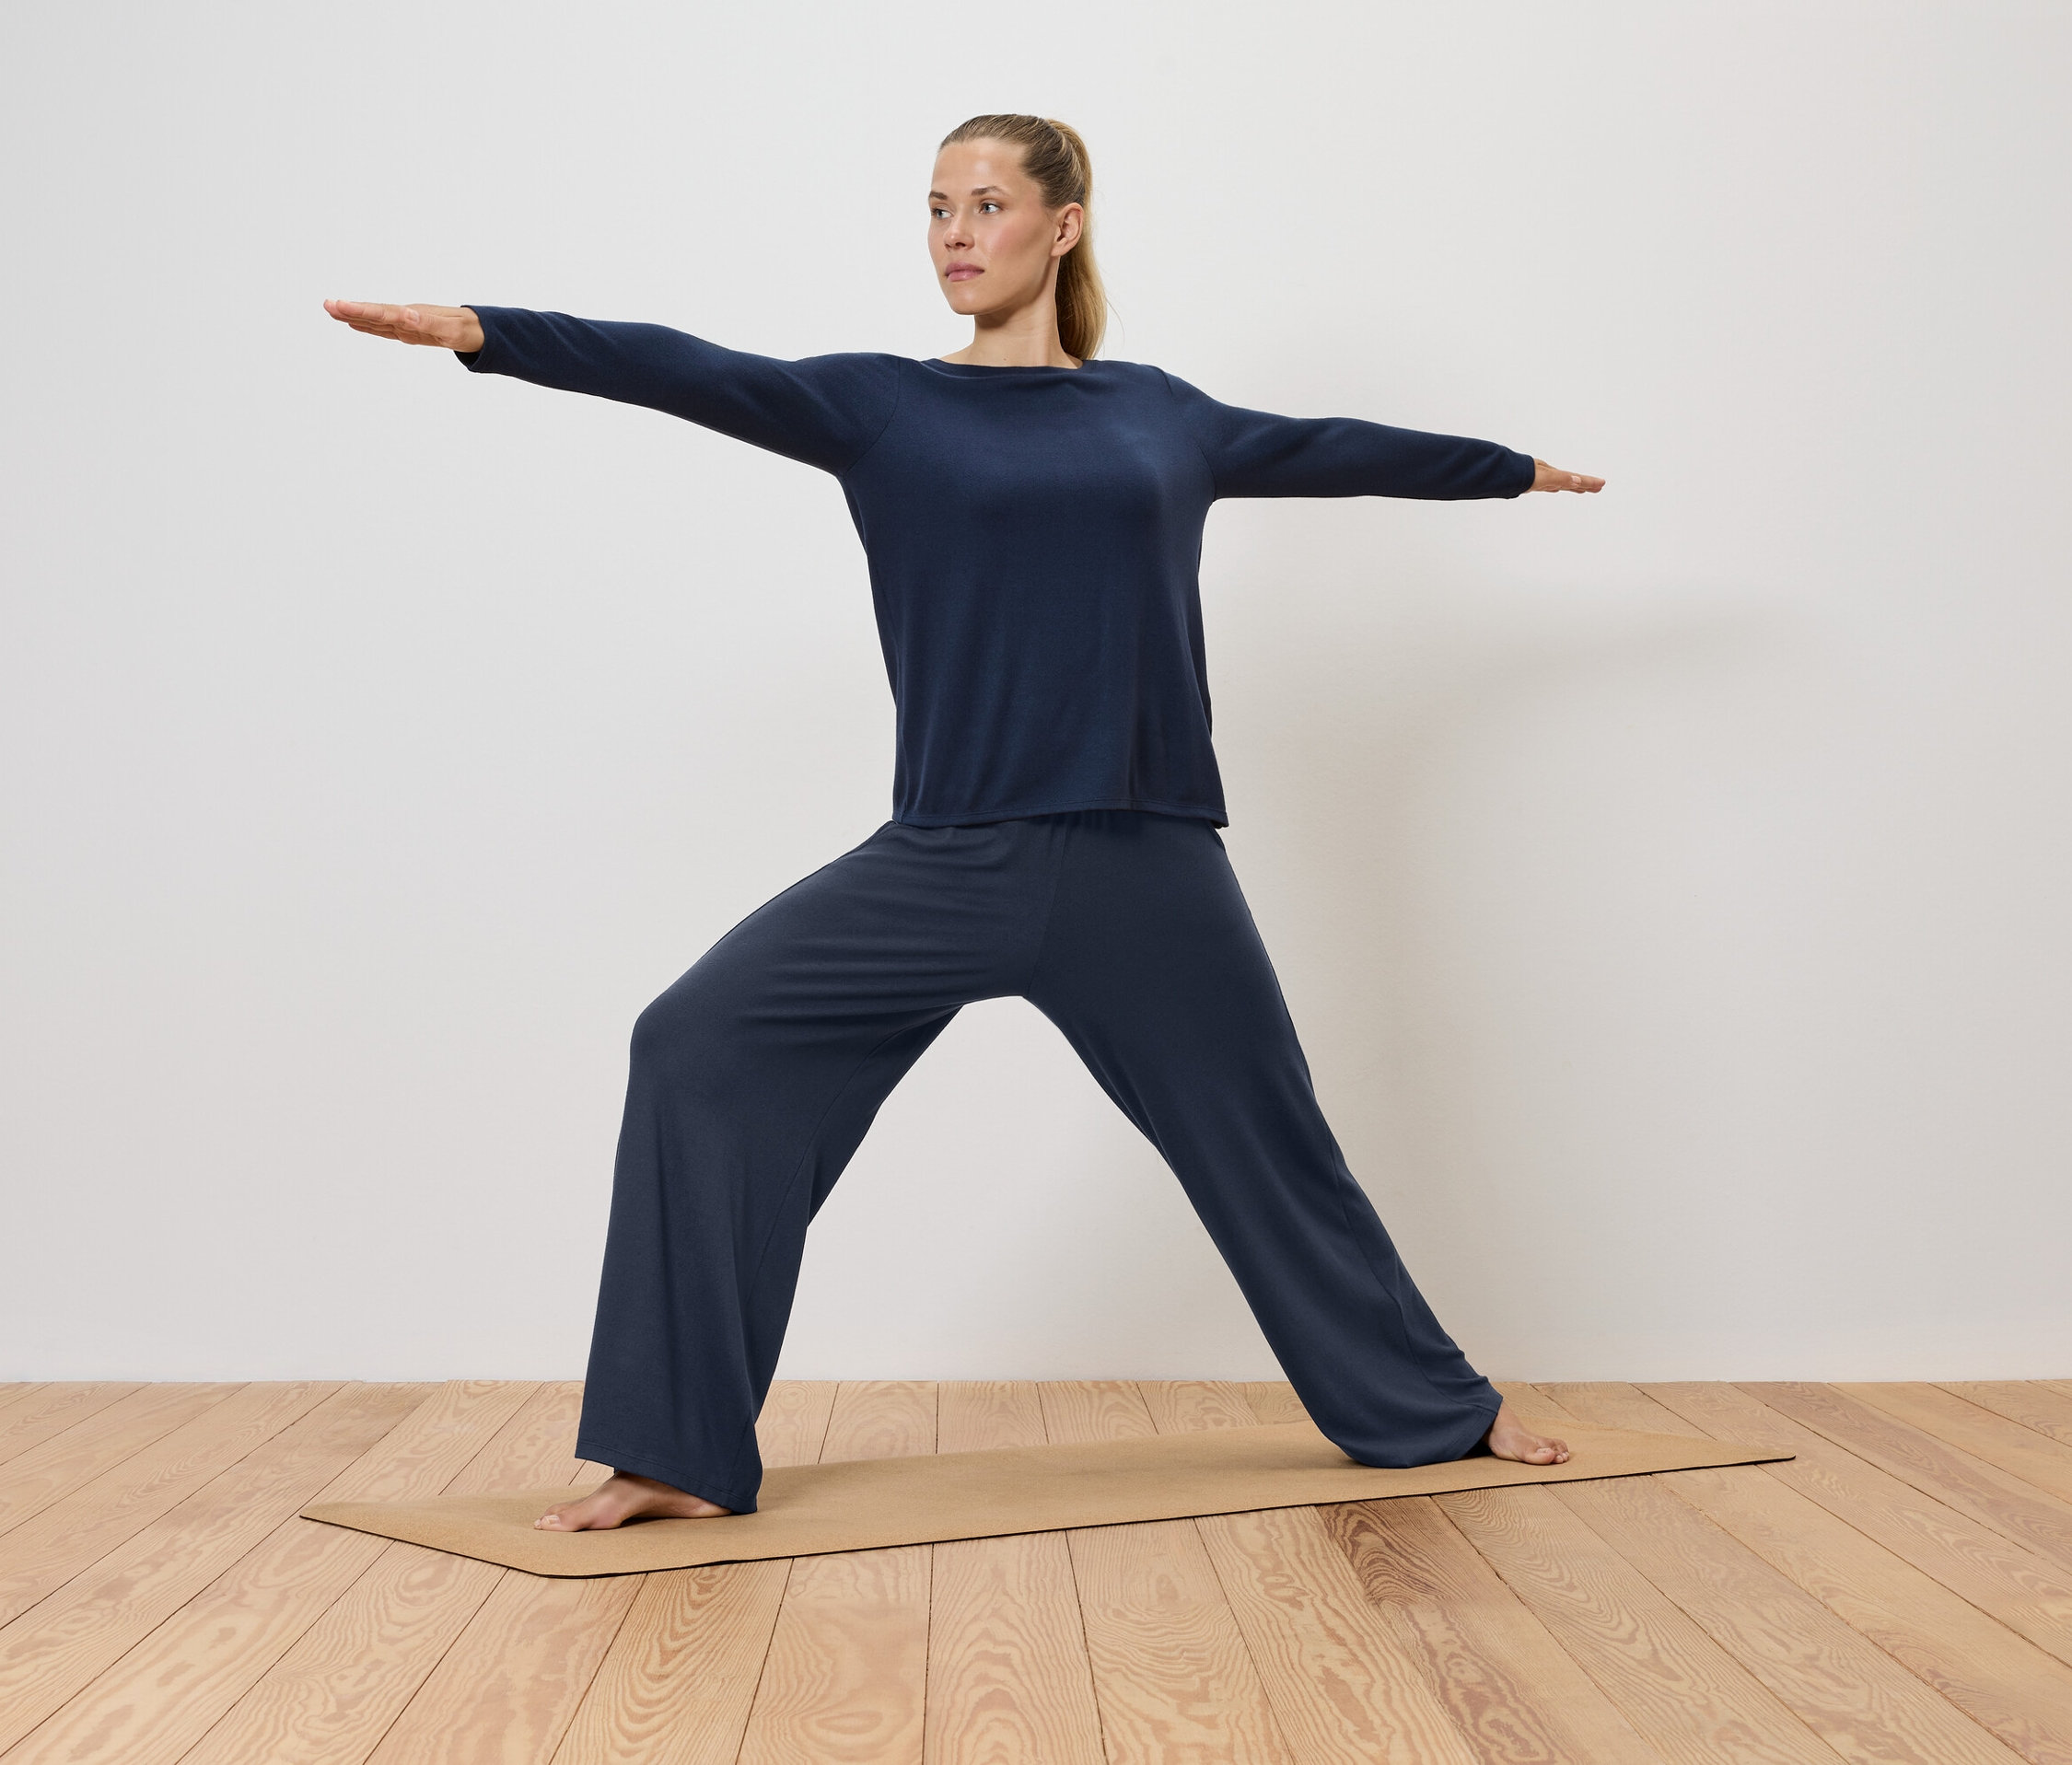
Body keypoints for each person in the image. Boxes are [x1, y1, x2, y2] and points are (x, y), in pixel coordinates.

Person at [326, 113, 1601, 1532]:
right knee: (695, 1040)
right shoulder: (880, 405)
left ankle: (1436, 1410)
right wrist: (490, 332)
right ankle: (673, 1447)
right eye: (934, 207)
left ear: (1060, 225)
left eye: (984, 204)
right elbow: (691, 369)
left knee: (1268, 1141)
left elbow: (1323, 446)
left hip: (1144, 857)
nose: (951, 232)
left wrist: (1505, 467)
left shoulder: (1158, 412)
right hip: (947, 854)